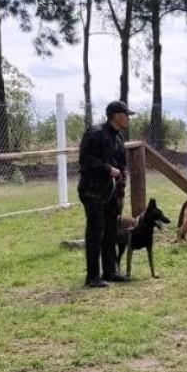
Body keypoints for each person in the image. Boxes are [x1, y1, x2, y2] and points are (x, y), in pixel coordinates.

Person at [78, 100, 133, 288]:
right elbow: (85, 160)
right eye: (126, 115)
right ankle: (92, 276)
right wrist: (108, 169)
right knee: (96, 232)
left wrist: (121, 186)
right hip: (93, 190)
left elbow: (122, 164)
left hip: (111, 192)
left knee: (110, 231)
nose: (128, 119)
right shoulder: (95, 133)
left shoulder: (118, 139)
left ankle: (110, 272)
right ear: (118, 116)